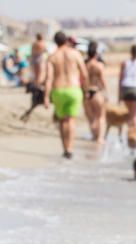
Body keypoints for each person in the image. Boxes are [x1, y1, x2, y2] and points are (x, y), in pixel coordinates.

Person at [44, 31, 88, 159]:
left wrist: (46, 97)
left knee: (62, 121)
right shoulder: (75, 54)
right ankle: (70, 148)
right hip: (74, 89)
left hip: (58, 90)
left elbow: (49, 79)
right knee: (71, 120)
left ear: (55, 42)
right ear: (66, 41)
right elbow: (84, 74)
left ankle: (65, 148)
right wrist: (86, 90)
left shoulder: (52, 57)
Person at [84, 41, 107, 143]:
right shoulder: (99, 65)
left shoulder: (84, 64)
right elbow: (102, 80)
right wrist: (106, 93)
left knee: (91, 118)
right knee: (100, 117)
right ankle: (100, 138)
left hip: (86, 92)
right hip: (96, 91)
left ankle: (94, 135)